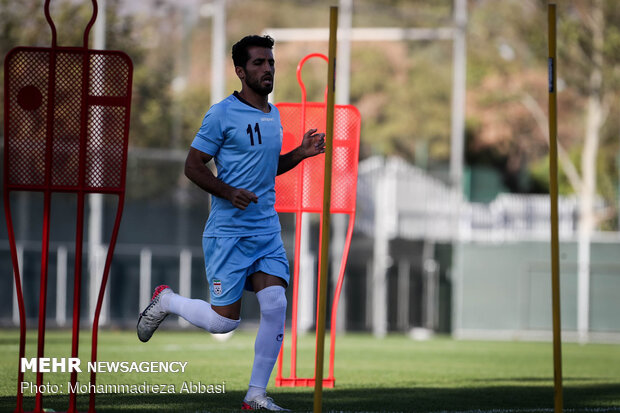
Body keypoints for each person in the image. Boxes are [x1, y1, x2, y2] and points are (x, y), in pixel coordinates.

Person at [136, 34, 325, 411]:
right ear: (240, 71)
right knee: (224, 324)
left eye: (270, 62)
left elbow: (268, 168)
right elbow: (192, 167)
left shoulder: (274, 116)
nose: (267, 68)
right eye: (258, 63)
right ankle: (167, 300)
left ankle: (255, 396)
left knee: (275, 303)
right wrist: (226, 192)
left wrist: (300, 154)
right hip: (229, 234)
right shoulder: (221, 114)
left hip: (266, 230)